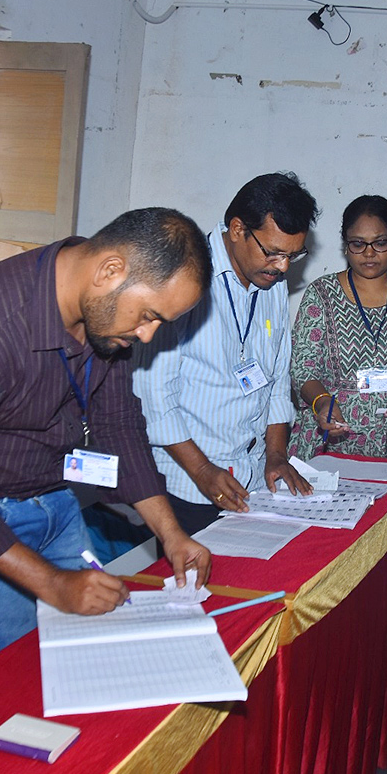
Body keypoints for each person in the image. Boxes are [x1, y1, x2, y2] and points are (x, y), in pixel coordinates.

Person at [0, 208, 214, 667]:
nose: (146, 334)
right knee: (24, 677)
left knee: (94, 660)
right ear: (109, 271)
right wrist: (55, 583)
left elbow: (118, 425)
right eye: (148, 316)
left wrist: (172, 533)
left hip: (52, 497)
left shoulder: (102, 316)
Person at [133, 173, 319, 534]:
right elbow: (154, 397)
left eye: (293, 256)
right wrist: (202, 471)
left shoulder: (271, 283)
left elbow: (277, 381)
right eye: (274, 252)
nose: (282, 267)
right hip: (187, 486)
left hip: (248, 479)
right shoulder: (183, 277)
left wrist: (276, 454)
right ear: (237, 229)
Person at [288, 195, 387, 461]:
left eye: (380, 243)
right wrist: (322, 402)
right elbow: (303, 367)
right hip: (331, 438)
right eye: (358, 244)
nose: (369, 253)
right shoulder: (322, 293)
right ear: (346, 246)